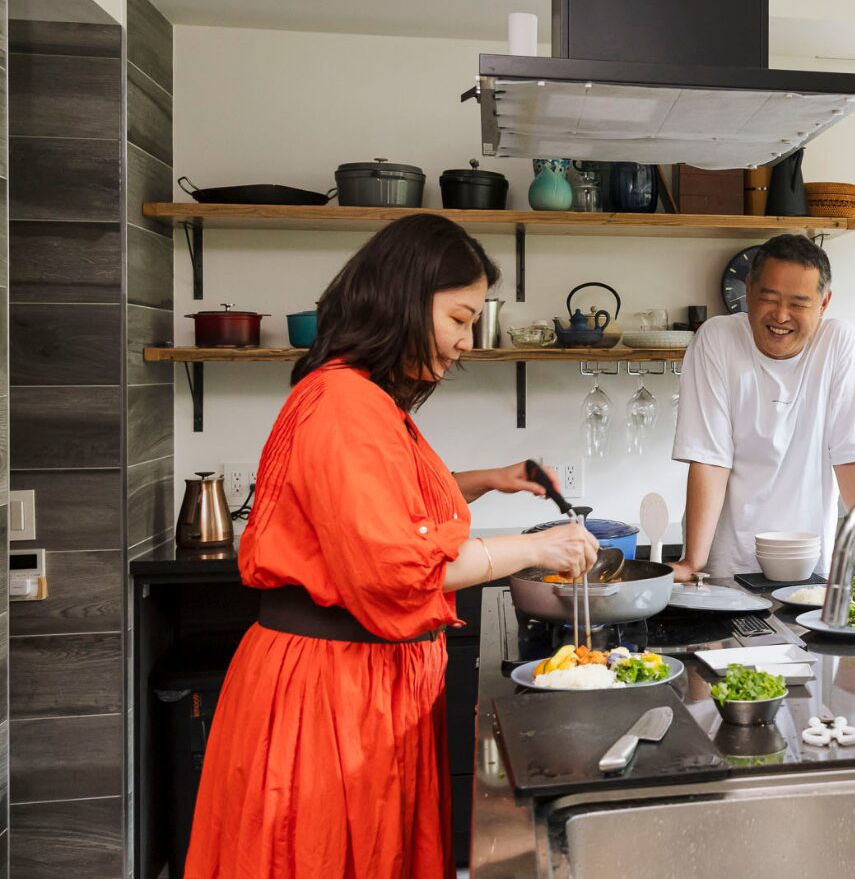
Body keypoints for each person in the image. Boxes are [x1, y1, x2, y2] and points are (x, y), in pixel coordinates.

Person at [185, 215, 599, 879]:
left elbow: (385, 511)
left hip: (363, 686)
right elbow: (399, 566)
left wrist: (490, 479)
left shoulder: (364, 398)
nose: (467, 342)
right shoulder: (344, 404)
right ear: (404, 298)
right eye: (459, 318)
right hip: (329, 696)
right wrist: (537, 549)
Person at [670, 233, 855, 581]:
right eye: (769, 298)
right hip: (725, 567)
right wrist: (692, 562)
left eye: (798, 304)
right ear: (748, 290)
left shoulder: (838, 344)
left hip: (808, 570)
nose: (781, 316)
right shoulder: (717, 339)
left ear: (824, 303)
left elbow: (853, 460)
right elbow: (710, 458)